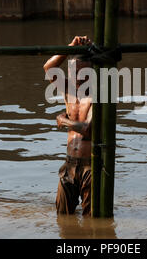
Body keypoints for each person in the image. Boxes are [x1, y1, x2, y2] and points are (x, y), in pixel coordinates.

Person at [43, 36, 93, 216]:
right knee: (63, 217)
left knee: (92, 218)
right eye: (75, 72)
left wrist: (63, 120)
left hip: (90, 166)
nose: (79, 77)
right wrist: (69, 47)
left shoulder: (97, 96)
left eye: (83, 72)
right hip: (69, 163)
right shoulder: (68, 91)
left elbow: (88, 129)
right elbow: (48, 68)